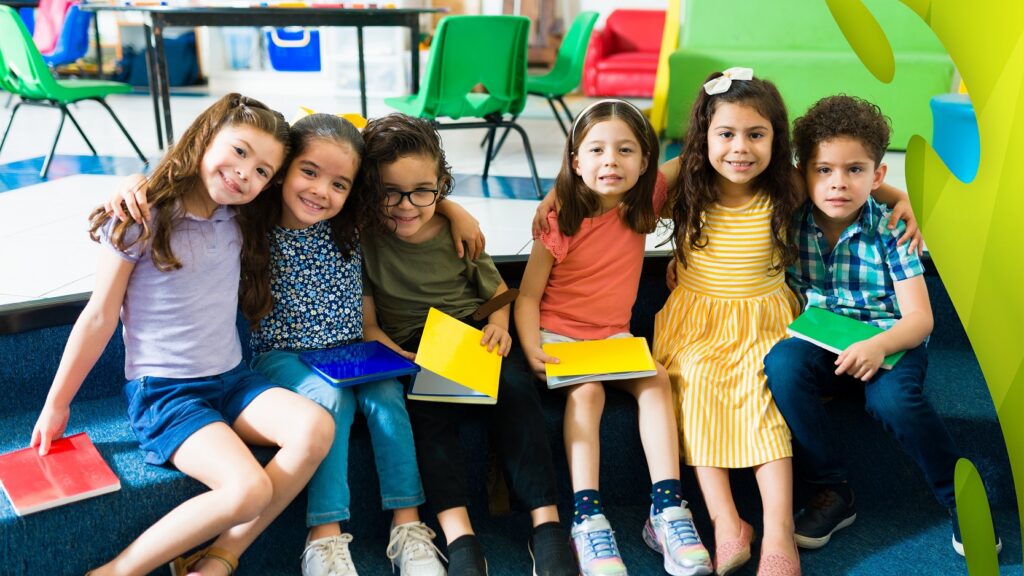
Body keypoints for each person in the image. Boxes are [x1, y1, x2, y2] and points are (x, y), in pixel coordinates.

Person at [105, 111, 488, 576]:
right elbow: (211, 176)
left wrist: (453, 207)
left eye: (339, 184)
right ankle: (324, 537)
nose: (321, 191)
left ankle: (407, 526)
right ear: (283, 172)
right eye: (307, 173)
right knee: (328, 402)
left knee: (389, 398)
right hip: (284, 358)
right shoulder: (249, 220)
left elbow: (406, 195)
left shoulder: (351, 221)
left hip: (353, 351)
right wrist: (135, 180)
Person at [31, 93, 335, 576]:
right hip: (168, 395)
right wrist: (57, 403)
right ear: (205, 137)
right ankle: (117, 571)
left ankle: (220, 557)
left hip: (234, 381)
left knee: (316, 427)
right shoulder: (140, 215)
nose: (245, 174)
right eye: (239, 152)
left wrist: (450, 211)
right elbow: (98, 316)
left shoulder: (242, 213)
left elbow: (326, 189)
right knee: (248, 489)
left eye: (262, 171)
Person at [762, 95, 997, 557]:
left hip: (890, 341)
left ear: (878, 175)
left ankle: (962, 500)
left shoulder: (892, 227)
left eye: (855, 170)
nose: (838, 183)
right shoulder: (791, 217)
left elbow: (920, 319)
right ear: (802, 173)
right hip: (819, 344)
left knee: (895, 401)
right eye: (823, 170)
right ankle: (833, 490)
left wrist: (876, 346)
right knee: (782, 364)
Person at [359, 113, 577, 576]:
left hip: (475, 333)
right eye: (389, 193)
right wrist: (386, 348)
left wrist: (498, 324)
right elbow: (369, 322)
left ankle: (547, 524)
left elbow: (497, 294)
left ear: (441, 186)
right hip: (415, 346)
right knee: (427, 413)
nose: (406, 206)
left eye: (423, 192)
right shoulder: (365, 238)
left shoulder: (458, 231)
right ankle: (458, 533)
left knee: (518, 392)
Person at [515, 99, 712, 576]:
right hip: (559, 338)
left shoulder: (643, 200)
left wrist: (720, 93)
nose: (611, 161)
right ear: (575, 161)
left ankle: (666, 511)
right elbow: (526, 297)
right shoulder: (560, 218)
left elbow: (694, 150)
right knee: (587, 393)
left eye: (626, 150)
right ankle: (587, 518)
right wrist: (532, 348)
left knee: (656, 380)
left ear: (645, 161)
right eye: (597, 150)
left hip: (614, 339)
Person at [653, 71, 804, 576]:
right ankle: (726, 522)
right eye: (726, 134)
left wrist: (903, 199)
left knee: (765, 390)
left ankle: (779, 531)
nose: (740, 148)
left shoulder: (788, 185)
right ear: (704, 138)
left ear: (775, 140)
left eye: (756, 135)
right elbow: (627, 186)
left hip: (765, 316)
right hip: (698, 318)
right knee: (691, 383)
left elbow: (851, 177)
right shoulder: (689, 183)